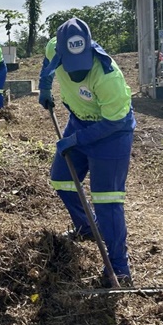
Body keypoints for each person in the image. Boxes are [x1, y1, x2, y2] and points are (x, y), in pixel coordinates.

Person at [37, 17, 136, 287]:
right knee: (62, 179)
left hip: (113, 134)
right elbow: (47, 63)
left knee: (107, 200)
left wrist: (77, 140)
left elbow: (115, 121)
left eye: (82, 65)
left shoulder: (108, 76)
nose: (77, 73)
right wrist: (44, 87)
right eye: (71, 66)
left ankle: (119, 266)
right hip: (80, 121)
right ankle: (87, 227)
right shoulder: (53, 48)